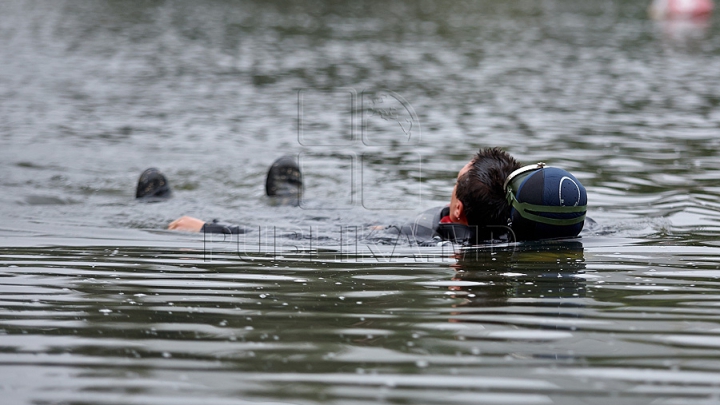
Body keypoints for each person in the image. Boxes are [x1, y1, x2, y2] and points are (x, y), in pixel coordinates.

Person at [156, 148, 588, 244]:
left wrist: (208, 228)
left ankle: (288, 201)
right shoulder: (515, 229)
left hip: (376, 230)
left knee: (309, 222)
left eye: (454, 178)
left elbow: (301, 244)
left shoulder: (415, 236)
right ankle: (290, 197)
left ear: (457, 207)